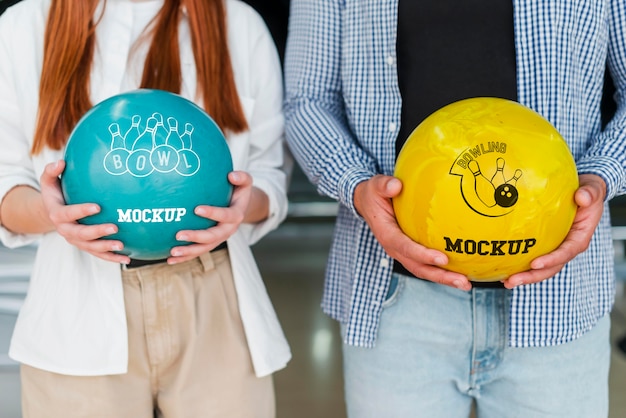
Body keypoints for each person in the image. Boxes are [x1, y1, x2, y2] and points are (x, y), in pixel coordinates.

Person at [284, 1, 626, 417]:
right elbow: (306, 100)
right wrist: (357, 186)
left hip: (560, 298)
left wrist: (600, 175)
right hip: (395, 301)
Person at [0, 0, 291, 416]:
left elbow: (270, 175)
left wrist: (243, 206)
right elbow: (5, 186)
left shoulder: (237, 23)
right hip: (76, 303)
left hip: (214, 298)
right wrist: (54, 213)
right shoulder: (25, 24)